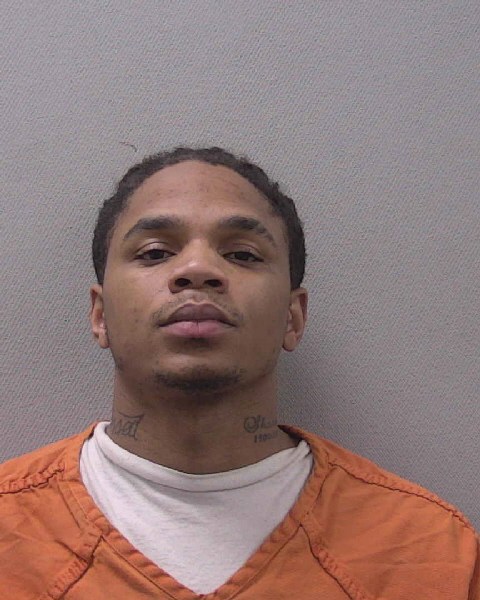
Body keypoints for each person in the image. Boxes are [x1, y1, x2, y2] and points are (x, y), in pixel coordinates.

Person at [0, 147, 478, 600]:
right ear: (100, 314)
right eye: (155, 252)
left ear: (293, 317)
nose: (197, 269)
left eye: (243, 254)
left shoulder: (429, 550)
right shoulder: (10, 528)